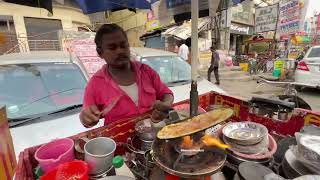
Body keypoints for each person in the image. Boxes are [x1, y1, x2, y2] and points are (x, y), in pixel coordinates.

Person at [79, 24, 174, 128]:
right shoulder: (95, 84)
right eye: (112, 48)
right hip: (120, 140)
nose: (120, 51)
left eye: (123, 45)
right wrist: (85, 118)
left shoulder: (146, 71)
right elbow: (86, 117)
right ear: (100, 52)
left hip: (152, 135)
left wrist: (166, 104)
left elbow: (166, 93)